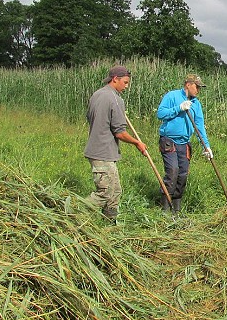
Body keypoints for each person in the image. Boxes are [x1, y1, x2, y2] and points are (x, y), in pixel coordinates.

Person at [83, 65, 147, 223]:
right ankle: (74, 211)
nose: (126, 86)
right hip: (102, 152)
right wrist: (137, 143)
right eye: (125, 82)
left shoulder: (96, 95)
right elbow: (119, 132)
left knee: (115, 191)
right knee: (105, 192)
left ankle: (110, 224)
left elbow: (90, 118)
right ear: (115, 79)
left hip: (98, 150)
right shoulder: (115, 99)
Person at [156, 73, 213, 214]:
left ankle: (176, 208)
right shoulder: (172, 96)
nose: (198, 90)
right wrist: (179, 108)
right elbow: (160, 114)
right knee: (172, 171)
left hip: (184, 143)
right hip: (169, 141)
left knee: (182, 174)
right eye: (197, 87)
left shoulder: (196, 104)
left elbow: (199, 126)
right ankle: (165, 208)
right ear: (188, 84)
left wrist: (206, 146)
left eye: (200, 88)